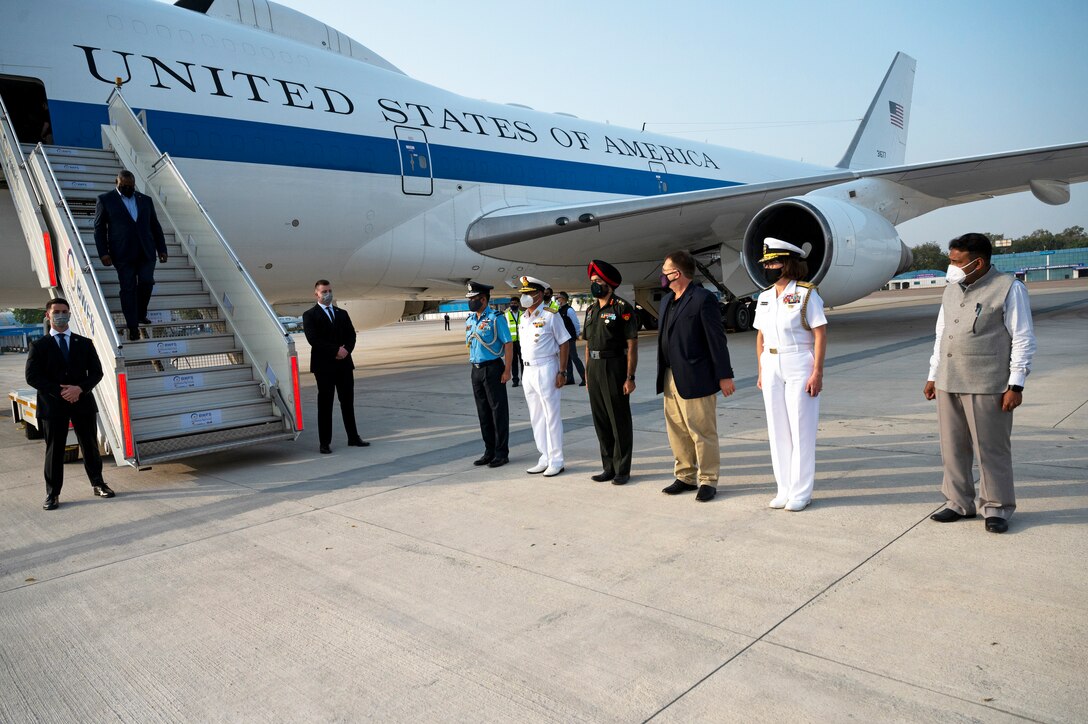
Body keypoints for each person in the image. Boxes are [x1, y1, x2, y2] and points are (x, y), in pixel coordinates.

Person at [923, 233, 1036, 534]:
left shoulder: (1009, 288)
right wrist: (933, 374)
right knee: (953, 446)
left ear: (979, 262)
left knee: (991, 449)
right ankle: (958, 502)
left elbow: (1023, 338)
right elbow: (941, 333)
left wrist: (1016, 384)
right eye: (951, 261)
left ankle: (997, 507)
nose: (952, 267)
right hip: (949, 379)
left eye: (957, 262)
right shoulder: (951, 290)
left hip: (988, 383)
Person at [753, 238, 828, 512]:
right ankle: (783, 488)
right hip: (771, 363)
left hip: (799, 361)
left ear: (788, 264)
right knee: (777, 429)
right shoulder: (763, 296)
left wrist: (817, 372)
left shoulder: (807, 294)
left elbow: (819, 333)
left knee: (801, 430)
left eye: (773, 262)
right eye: (766, 263)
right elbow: (760, 336)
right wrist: (761, 370)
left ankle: (801, 492)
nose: (768, 267)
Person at [655, 250, 736, 502]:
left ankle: (708, 479)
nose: (663, 276)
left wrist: (724, 375)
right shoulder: (668, 301)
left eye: (666, 271)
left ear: (677, 273)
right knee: (677, 430)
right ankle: (685, 476)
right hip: (670, 375)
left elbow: (717, 340)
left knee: (702, 431)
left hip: (697, 375)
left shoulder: (702, 299)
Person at [25, 298, 113, 510]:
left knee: (90, 446)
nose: (61, 315)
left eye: (65, 311)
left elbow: (97, 373)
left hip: (82, 402)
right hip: (53, 405)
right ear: (48, 315)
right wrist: (62, 391)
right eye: (56, 311)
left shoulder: (84, 343)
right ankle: (52, 493)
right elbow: (32, 377)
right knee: (55, 450)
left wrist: (79, 389)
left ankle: (98, 484)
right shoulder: (39, 346)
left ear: (70, 314)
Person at [93, 170, 168, 341]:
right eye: (124, 186)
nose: (128, 189)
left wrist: (162, 248)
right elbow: (99, 229)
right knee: (128, 289)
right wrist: (103, 253)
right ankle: (132, 325)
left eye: (131, 186)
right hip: (122, 253)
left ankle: (141, 313)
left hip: (146, 251)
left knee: (147, 282)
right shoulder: (105, 200)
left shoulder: (145, 200)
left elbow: (155, 226)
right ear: (116, 182)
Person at [583, 260, 640, 485]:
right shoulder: (591, 310)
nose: (594, 285)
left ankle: (622, 469)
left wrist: (630, 377)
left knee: (619, 420)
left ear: (609, 284)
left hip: (614, 366)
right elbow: (587, 345)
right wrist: (587, 374)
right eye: (592, 282)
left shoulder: (621, 308)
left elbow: (632, 345)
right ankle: (608, 466)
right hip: (595, 369)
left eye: (598, 281)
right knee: (601, 421)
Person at [302, 280, 369, 454]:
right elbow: (313, 339)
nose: (328, 294)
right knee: (325, 405)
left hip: (344, 365)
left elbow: (351, 335)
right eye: (324, 291)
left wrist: (346, 350)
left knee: (347, 402)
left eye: (330, 290)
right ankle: (324, 442)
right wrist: (335, 351)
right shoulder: (310, 315)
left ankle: (353, 437)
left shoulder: (342, 313)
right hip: (324, 367)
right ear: (316, 294)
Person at [517, 276, 570, 477]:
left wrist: (562, 371)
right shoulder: (523, 318)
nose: (525, 297)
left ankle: (557, 460)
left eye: (529, 293)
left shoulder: (551, 315)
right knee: (536, 416)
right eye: (523, 294)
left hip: (547, 367)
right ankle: (544, 456)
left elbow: (564, 343)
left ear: (540, 295)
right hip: (528, 370)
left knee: (551, 416)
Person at [464, 281, 513, 468]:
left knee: (498, 412)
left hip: (492, 368)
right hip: (475, 370)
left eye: (474, 299)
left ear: (483, 299)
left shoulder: (495, 317)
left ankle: (501, 453)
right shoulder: (470, 320)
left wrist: (507, 370)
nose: (471, 302)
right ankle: (489, 451)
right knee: (483, 413)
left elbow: (508, 344)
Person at [556, 292, 587, 386]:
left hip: (570, 338)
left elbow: (576, 323)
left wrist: (577, 334)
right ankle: (570, 379)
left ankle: (585, 378)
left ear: (564, 299)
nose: (557, 300)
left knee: (574, 358)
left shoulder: (569, 310)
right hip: (563, 339)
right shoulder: (559, 310)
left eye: (559, 298)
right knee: (567, 359)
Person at [504, 300, 523, 387]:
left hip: (521, 341)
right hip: (511, 342)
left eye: (515, 303)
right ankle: (515, 380)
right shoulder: (506, 315)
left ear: (518, 304)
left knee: (523, 361)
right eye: (511, 303)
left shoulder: (523, 314)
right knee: (513, 361)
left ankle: (524, 378)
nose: (513, 305)